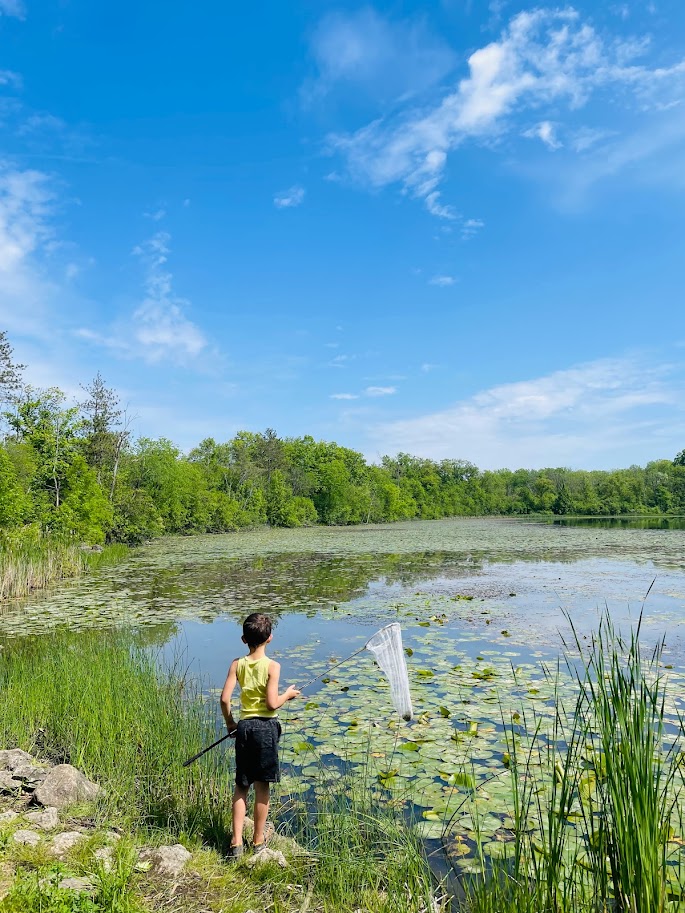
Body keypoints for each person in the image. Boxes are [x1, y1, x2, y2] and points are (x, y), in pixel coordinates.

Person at [220, 612, 300, 859]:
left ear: (244, 639)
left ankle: (235, 843)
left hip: (244, 728)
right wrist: (289, 694)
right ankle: (257, 841)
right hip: (266, 730)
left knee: (241, 785)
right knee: (262, 786)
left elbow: (224, 699)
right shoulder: (273, 666)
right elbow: (272, 703)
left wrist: (231, 723)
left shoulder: (237, 664)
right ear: (270, 638)